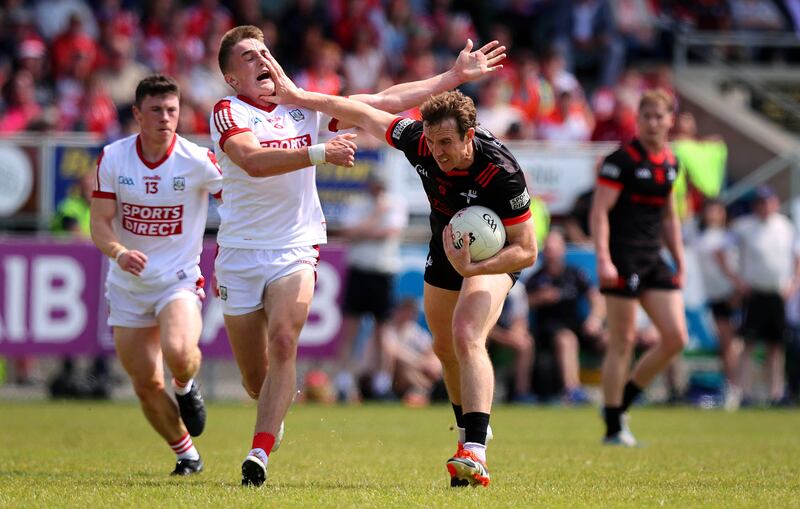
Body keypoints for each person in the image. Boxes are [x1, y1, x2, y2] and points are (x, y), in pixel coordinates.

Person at [208, 25, 508, 487]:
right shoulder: (228, 111)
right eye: (249, 56)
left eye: (265, 51)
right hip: (240, 252)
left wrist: (451, 76)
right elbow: (252, 160)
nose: (262, 60)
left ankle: (259, 452)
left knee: (285, 340)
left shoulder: (299, 105)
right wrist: (320, 152)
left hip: (295, 244)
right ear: (232, 78)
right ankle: (273, 408)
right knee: (255, 379)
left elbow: (383, 100)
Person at [90, 75, 222, 475]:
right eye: (156, 110)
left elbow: (239, 197)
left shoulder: (197, 160)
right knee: (146, 384)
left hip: (177, 279)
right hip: (128, 283)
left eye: (172, 110)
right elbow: (100, 223)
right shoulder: (113, 158)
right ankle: (187, 454)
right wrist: (118, 251)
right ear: (137, 114)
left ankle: (185, 385)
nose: (165, 118)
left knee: (180, 353)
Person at [590, 89, 688, 446]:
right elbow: (599, 211)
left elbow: (669, 217)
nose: (653, 123)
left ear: (670, 121)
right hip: (623, 256)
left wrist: (679, 258)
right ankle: (614, 428)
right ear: (638, 119)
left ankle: (620, 402)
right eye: (647, 116)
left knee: (676, 337)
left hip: (653, 258)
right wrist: (603, 257)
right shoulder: (621, 160)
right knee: (623, 341)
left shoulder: (671, 163)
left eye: (660, 117)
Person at [717, 186, 800, 406]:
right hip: (754, 293)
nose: (764, 207)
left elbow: (796, 257)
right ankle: (744, 393)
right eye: (761, 203)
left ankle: (775, 393)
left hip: (777, 293)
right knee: (749, 343)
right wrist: (737, 281)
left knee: (776, 345)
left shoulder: (785, 226)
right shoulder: (744, 227)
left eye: (768, 202)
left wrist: (793, 284)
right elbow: (721, 252)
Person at [333, 171, 409, 402]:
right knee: (351, 327)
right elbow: (349, 232)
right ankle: (343, 380)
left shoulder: (395, 204)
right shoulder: (358, 205)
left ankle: (381, 382)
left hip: (382, 271)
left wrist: (364, 231)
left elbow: (390, 232)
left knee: (382, 329)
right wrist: (375, 217)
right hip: (360, 269)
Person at [525, 230, 605, 404]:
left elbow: (596, 299)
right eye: (548, 248)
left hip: (577, 325)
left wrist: (595, 320)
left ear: (562, 249)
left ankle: (621, 392)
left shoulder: (575, 274)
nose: (551, 252)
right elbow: (523, 304)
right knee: (567, 339)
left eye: (555, 248)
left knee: (609, 339)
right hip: (549, 330)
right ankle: (573, 390)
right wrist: (540, 298)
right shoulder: (536, 278)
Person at [693, 199, 742, 409]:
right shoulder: (698, 237)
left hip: (730, 295)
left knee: (731, 343)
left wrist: (737, 289)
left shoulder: (730, 237)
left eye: (717, 211)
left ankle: (735, 387)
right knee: (725, 343)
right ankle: (732, 385)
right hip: (711, 297)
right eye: (709, 210)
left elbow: (737, 265)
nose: (713, 214)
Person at [382, 298, 443, 407]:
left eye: (411, 311)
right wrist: (420, 362)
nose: (408, 314)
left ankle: (422, 392)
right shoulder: (388, 330)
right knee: (403, 365)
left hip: (418, 372)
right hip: (395, 374)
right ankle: (425, 390)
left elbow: (431, 351)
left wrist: (432, 364)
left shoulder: (416, 331)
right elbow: (393, 352)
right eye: (405, 310)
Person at [487, 282, 535, 403]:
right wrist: (504, 337)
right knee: (477, 343)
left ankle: (521, 393)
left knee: (526, 344)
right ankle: (477, 395)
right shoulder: (485, 285)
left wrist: (514, 336)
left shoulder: (518, 289)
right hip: (486, 333)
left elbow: (520, 320)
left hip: (506, 332)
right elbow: (481, 326)